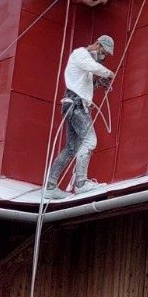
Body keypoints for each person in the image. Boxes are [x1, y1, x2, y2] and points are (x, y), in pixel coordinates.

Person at [46, 34, 115, 195]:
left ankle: (50, 187)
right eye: (103, 52)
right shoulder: (80, 54)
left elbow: (82, 85)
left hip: (74, 104)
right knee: (90, 141)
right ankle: (81, 183)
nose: (103, 57)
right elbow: (95, 68)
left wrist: (98, 84)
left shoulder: (86, 64)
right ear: (98, 45)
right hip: (76, 106)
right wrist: (109, 74)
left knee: (71, 147)